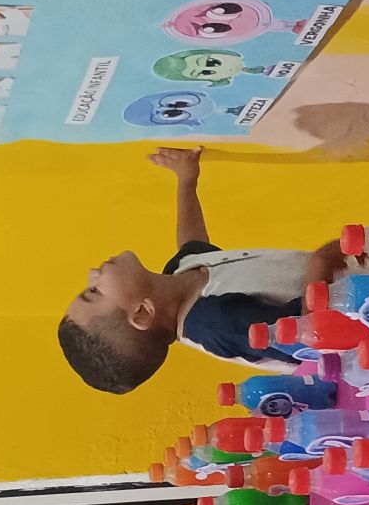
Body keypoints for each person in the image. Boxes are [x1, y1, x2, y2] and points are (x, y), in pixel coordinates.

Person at [58, 147, 347, 394]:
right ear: (143, 313)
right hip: (360, 317)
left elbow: (192, 245)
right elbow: (308, 341)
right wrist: (321, 263)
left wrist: (186, 180)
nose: (92, 273)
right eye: (94, 291)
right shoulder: (217, 324)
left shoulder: (178, 276)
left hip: (349, 279)